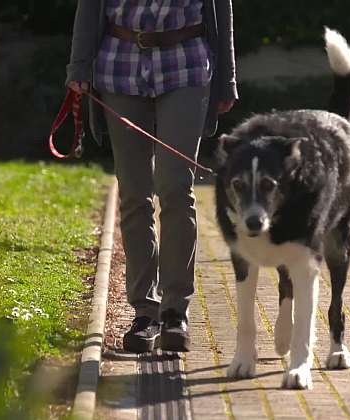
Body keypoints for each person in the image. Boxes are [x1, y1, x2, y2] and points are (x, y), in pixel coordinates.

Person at [66, 0, 237, 353]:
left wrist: (227, 79)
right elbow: (89, 7)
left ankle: (176, 311)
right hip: (119, 65)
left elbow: (222, 9)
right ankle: (145, 312)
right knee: (134, 194)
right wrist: (79, 64)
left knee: (176, 188)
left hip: (186, 64)